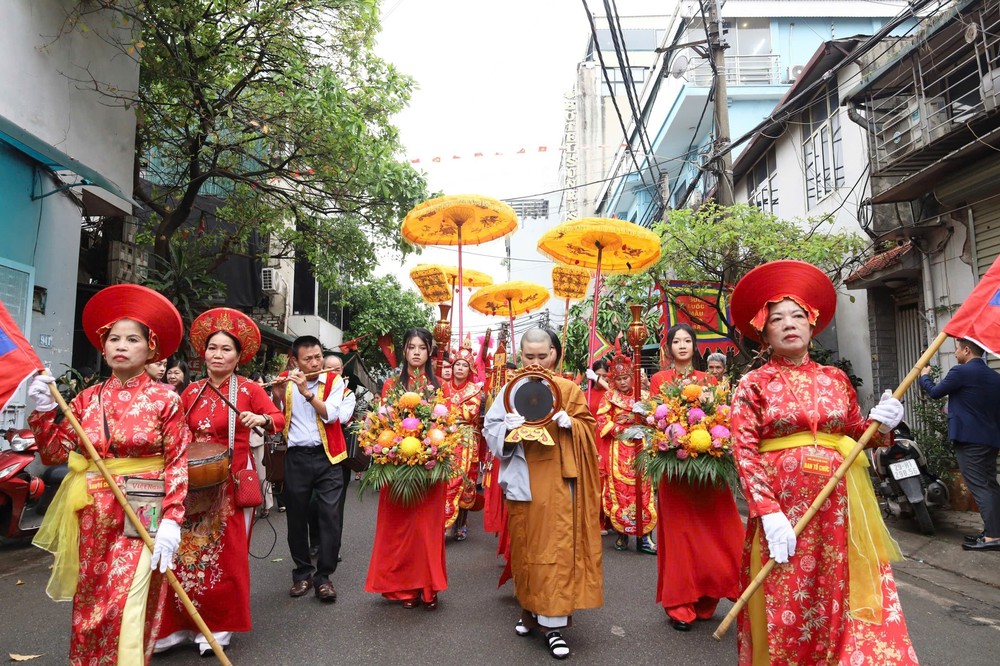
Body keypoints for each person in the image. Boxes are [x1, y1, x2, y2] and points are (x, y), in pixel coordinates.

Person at [729, 260, 918, 665]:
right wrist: (767, 512)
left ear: (812, 327)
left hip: (838, 509)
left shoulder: (835, 378)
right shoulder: (752, 384)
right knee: (786, 592)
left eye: (798, 316)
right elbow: (743, 451)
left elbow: (856, 432)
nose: (789, 323)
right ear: (763, 332)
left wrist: (882, 424)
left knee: (835, 590)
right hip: (783, 511)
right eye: (777, 318)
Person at [27, 284, 189, 664]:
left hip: (144, 510)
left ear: (151, 349)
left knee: (126, 603)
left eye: (132, 339)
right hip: (94, 512)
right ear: (103, 347)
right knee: (90, 608)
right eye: (114, 338)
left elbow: (177, 462)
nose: (121, 345)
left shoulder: (166, 399)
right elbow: (54, 453)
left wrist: (172, 519)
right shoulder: (86, 398)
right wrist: (42, 412)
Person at [156, 308, 284, 656]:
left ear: (238, 357)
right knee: (184, 554)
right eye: (212, 347)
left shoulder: (249, 389)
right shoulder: (191, 391)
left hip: (229, 485)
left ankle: (219, 626)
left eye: (226, 349)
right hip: (191, 486)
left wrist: (259, 416)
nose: (218, 354)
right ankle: (180, 626)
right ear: (204, 353)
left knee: (227, 557)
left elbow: (278, 418)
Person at [484, 327, 603, 660]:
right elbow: (490, 430)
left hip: (558, 483)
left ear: (555, 353)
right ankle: (528, 609)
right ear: (521, 355)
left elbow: (589, 430)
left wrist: (572, 424)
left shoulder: (569, 389)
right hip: (524, 482)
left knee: (556, 549)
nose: (536, 363)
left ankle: (553, 626)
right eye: (529, 356)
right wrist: (505, 427)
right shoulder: (510, 390)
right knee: (526, 550)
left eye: (542, 355)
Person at [649, 323, 742, 631]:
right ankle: (679, 603)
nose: (683, 345)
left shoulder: (710, 381)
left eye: (688, 340)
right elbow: (655, 419)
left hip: (708, 472)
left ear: (695, 346)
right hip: (676, 470)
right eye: (677, 341)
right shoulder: (659, 380)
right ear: (669, 347)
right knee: (680, 536)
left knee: (715, 532)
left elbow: (723, 415)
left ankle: (707, 596)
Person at [365, 328, 448, 609]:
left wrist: (435, 451)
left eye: (422, 347)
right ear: (404, 350)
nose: (416, 352)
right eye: (411, 347)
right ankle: (404, 588)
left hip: (429, 467)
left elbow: (447, 426)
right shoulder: (391, 385)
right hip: (398, 468)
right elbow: (381, 423)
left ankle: (428, 587)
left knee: (426, 530)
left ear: (429, 352)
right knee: (400, 530)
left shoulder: (440, 387)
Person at [279, 335, 349, 603]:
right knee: (296, 517)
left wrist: (306, 393)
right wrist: (276, 395)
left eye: (318, 357)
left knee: (329, 516)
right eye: (307, 359)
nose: (314, 363)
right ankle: (302, 574)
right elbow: (275, 415)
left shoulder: (334, 381)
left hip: (328, 457)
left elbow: (330, 414)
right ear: (295, 360)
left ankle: (324, 577)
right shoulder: (285, 381)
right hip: (296, 457)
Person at [918, 338, 1000, 551]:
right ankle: (993, 532)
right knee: (990, 485)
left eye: (956, 349)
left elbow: (935, 392)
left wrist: (924, 376)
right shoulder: (994, 376)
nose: (955, 353)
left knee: (980, 487)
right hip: (990, 439)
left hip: (970, 439)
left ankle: (992, 537)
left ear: (966, 349)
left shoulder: (961, 372)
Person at [595, 353, 656, 553]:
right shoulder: (609, 397)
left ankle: (645, 537)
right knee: (620, 493)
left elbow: (656, 418)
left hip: (642, 449)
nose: (622, 382)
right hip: (619, 450)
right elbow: (602, 421)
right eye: (618, 379)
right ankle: (622, 533)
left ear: (632, 377)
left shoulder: (645, 396)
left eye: (626, 378)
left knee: (644, 493)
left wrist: (644, 418)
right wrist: (624, 429)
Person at [442, 339, 484, 541]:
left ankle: (460, 522)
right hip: (443, 439)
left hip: (465, 442)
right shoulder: (442, 389)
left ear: (470, 369)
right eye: (457, 364)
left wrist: (450, 413)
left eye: (464, 365)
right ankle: (443, 522)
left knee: (463, 482)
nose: (460, 368)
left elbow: (470, 415)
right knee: (443, 482)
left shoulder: (475, 391)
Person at [322, 353, 357, 560]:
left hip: (338, 454)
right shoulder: (312, 389)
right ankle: (316, 542)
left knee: (335, 505)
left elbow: (341, 417)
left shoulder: (346, 394)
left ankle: (332, 548)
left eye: (336, 369)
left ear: (342, 371)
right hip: (314, 454)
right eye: (328, 368)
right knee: (312, 504)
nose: (332, 373)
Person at [585, 359, 611, 534]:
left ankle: (609, 519)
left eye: (604, 376)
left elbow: (617, 396)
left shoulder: (611, 392)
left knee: (607, 481)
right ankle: (596, 520)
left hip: (606, 439)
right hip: (591, 439)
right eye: (597, 375)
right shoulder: (586, 393)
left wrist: (600, 380)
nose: (600, 378)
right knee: (593, 482)